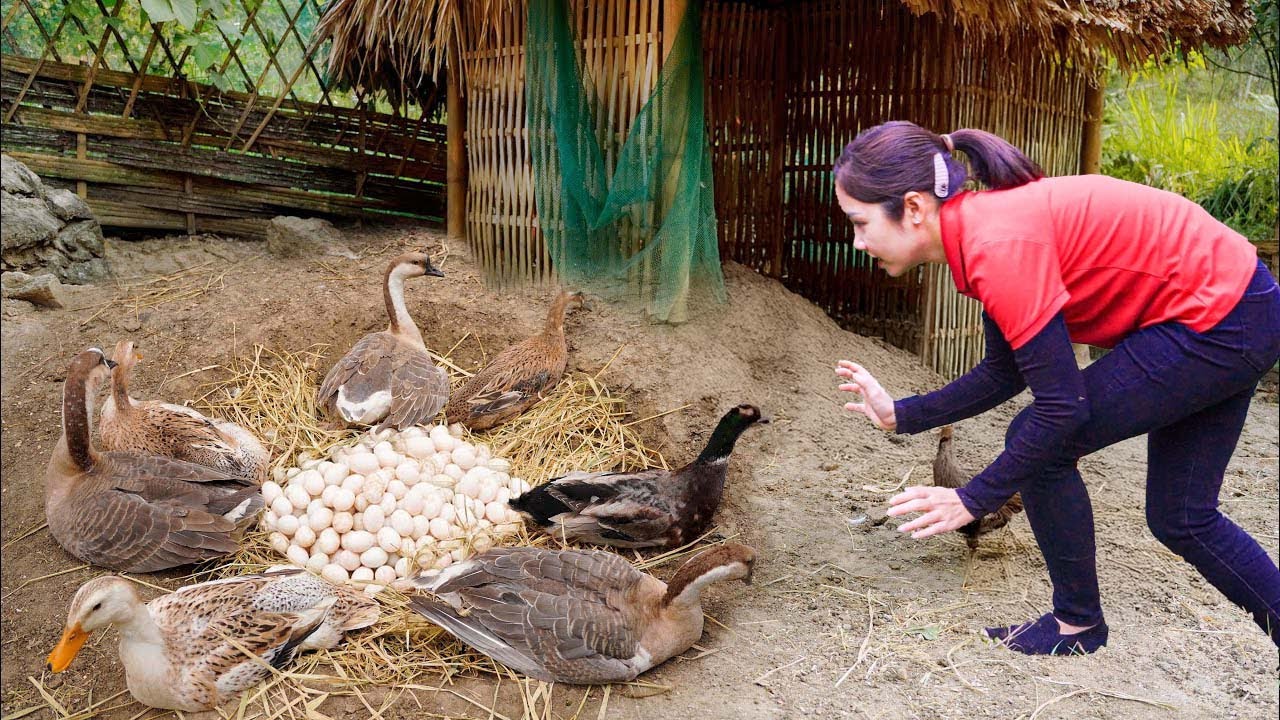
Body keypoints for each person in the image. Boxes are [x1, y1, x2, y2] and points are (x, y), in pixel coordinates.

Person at [831, 120, 1280, 656]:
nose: (857, 242)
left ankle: (1077, 624)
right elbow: (1006, 370)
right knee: (1181, 518)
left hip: (1221, 319)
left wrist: (973, 498)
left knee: (1043, 441)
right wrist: (900, 414)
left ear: (913, 208)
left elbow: (1061, 409)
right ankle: (1080, 625)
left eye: (859, 223)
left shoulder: (997, 246)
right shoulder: (981, 231)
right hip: (1238, 306)